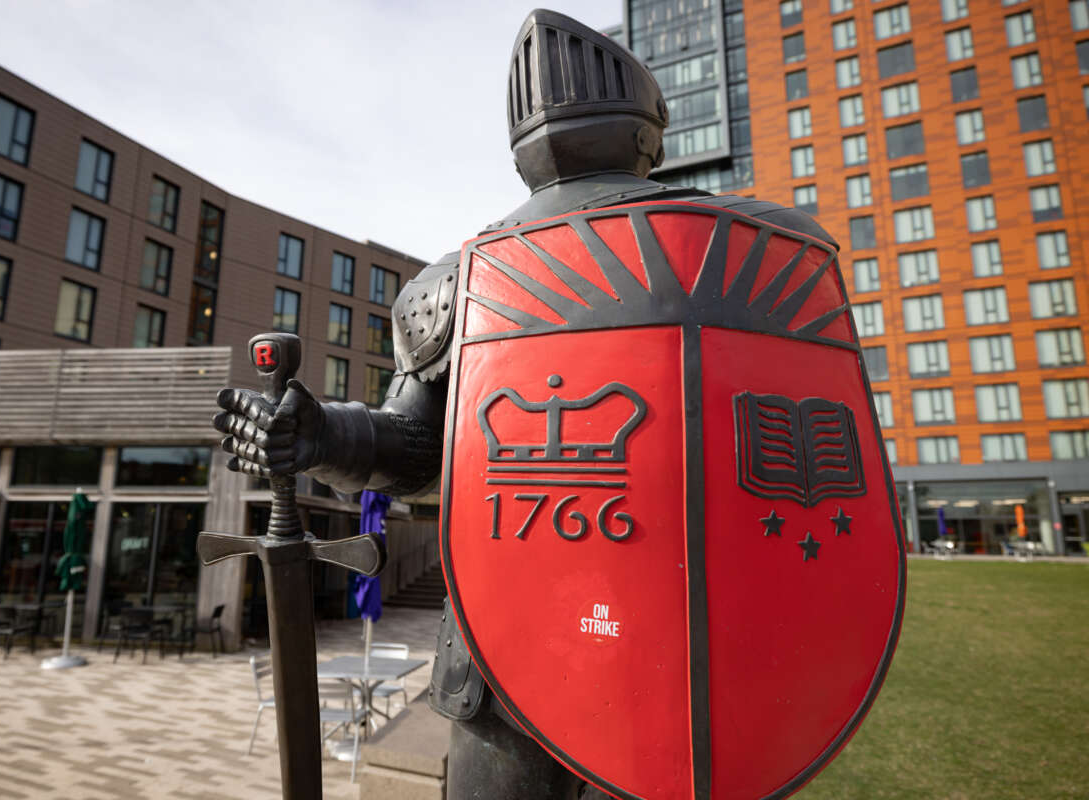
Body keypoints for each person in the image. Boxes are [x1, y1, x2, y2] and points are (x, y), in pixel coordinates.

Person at [213, 9, 835, 798]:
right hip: (517, 650)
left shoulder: (462, 282)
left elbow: (409, 451)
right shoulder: (742, 248)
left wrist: (330, 435)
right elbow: (422, 449)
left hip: (630, 652)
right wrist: (322, 433)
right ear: (649, 132)